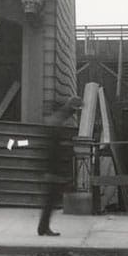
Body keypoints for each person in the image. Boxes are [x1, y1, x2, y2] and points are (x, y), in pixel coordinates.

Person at [37, 96, 83, 236]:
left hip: (52, 169)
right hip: (53, 170)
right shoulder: (57, 125)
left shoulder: (55, 123)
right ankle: (43, 228)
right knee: (50, 202)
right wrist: (56, 173)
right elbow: (53, 152)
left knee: (50, 202)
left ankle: (43, 227)